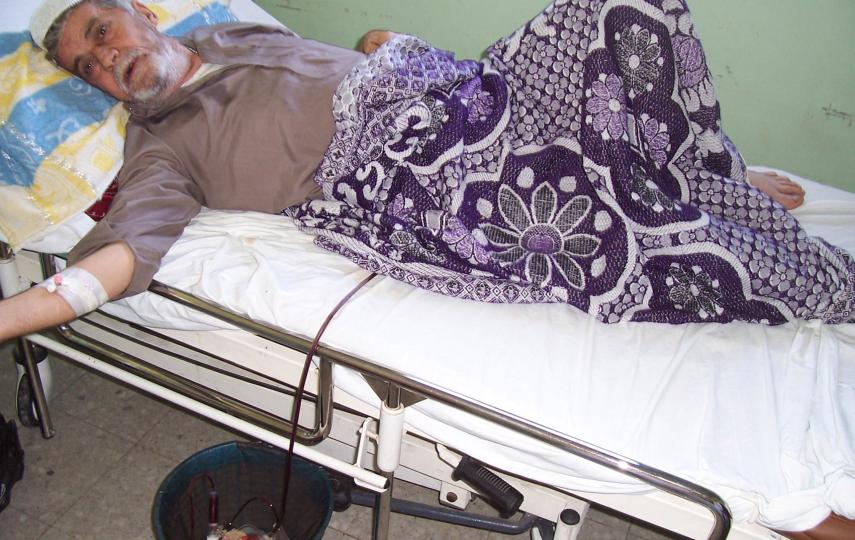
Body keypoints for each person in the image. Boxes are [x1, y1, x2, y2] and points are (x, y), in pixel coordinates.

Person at [0, 1, 852, 537]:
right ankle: (703, 217)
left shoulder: (236, 31)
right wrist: (16, 313)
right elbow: (117, 260)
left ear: (146, 15)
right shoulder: (161, 147)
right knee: (576, 217)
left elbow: (339, 61)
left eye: (102, 32)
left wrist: (382, 45)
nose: (105, 60)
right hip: (409, 172)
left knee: (621, 15)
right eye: (88, 66)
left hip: (452, 91)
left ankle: (687, 178)